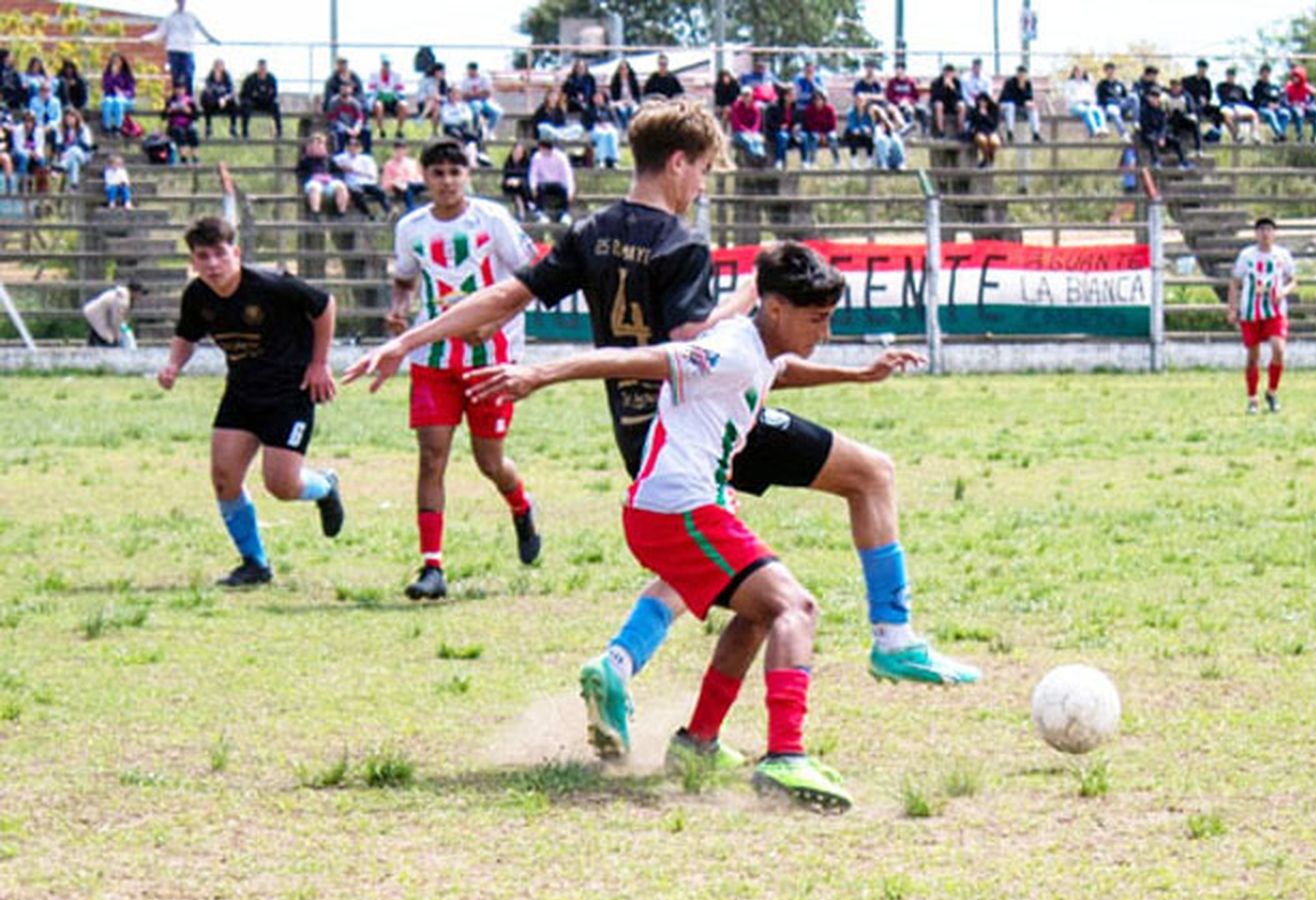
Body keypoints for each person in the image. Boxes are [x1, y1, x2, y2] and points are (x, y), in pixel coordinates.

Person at [341, 98, 981, 765]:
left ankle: (626, 670)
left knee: (703, 563)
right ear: (677, 162)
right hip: (697, 424)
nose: (701, 184)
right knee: (869, 474)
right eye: (702, 169)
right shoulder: (680, 243)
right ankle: (894, 636)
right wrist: (753, 292)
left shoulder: (591, 231)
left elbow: (506, 296)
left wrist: (409, 338)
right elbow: (696, 345)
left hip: (637, 432)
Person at [457, 243, 862, 811]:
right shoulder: (728, 350)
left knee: (757, 613)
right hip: (680, 510)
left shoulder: (760, 348)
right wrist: (540, 373)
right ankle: (786, 758)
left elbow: (783, 370)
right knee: (797, 608)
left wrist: (859, 375)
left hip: (679, 506)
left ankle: (697, 744)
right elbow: (634, 360)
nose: (825, 331)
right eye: (817, 320)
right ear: (774, 308)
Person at [384, 139, 542, 598]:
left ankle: (520, 504)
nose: (447, 181)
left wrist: (495, 320)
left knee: (489, 460)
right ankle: (432, 566)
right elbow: (404, 278)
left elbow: (532, 277)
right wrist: (400, 309)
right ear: (424, 177)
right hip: (433, 358)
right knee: (432, 456)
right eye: (438, 173)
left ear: (467, 175)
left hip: (489, 357)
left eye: (455, 172)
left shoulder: (491, 219)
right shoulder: (411, 227)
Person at [155, 215, 343, 587]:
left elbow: (324, 306)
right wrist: (174, 365)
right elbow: (186, 334)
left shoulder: (270, 285)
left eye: (220, 254)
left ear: (236, 253)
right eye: (202, 256)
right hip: (241, 393)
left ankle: (325, 486)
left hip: (290, 394)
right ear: (193, 261)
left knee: (282, 486)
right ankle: (255, 564)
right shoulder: (197, 295)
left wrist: (319, 363)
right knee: (224, 480)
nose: (212, 264)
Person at [1227, 217, 1297, 414]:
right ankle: (1252, 398)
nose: (1265, 234)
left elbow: (1293, 280)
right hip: (1251, 311)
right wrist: (1232, 308)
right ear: (1256, 234)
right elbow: (1234, 282)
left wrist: (1283, 292)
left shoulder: (1282, 255)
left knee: (1279, 348)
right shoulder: (1247, 255)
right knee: (1253, 356)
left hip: (1275, 311)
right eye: (1261, 230)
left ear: (1274, 233)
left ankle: (1272, 391)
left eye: (1269, 230)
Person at [144, 0, 217, 92]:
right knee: (176, 76)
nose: (181, 2)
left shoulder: (192, 16)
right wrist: (144, 38)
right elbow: (159, 34)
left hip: (187, 50)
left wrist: (212, 39)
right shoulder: (170, 17)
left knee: (188, 75)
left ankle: (189, 99)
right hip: (174, 50)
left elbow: (203, 29)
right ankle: (177, 99)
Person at [334, 136, 389, 218]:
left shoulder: (367, 159)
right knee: (357, 193)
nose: (353, 148)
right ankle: (368, 214)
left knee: (379, 191)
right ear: (347, 147)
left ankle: (389, 211)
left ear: (360, 148)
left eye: (356, 146)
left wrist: (355, 171)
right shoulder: (341, 158)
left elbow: (372, 175)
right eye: (350, 146)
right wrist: (342, 168)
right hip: (353, 184)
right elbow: (331, 162)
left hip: (367, 182)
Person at [295, 133, 348, 217]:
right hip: (313, 182)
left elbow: (339, 172)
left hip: (329, 182)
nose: (320, 147)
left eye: (322, 145)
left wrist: (332, 177)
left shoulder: (329, 159)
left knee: (341, 187)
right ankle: (315, 212)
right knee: (315, 188)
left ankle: (341, 212)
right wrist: (312, 177)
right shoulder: (305, 160)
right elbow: (300, 174)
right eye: (317, 145)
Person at [1137, 87, 1189, 169]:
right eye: (1153, 97)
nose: (1155, 99)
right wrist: (1158, 137)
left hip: (1161, 135)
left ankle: (1184, 162)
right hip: (1149, 134)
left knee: (1176, 140)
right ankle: (1156, 162)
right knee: (1152, 140)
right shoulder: (1144, 110)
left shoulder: (1161, 110)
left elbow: (1164, 125)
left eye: (1156, 97)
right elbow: (1145, 126)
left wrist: (1162, 136)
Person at [82, 280, 145, 346]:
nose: (141, 296)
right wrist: (116, 337)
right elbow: (115, 321)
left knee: (102, 337)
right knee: (108, 339)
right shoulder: (122, 301)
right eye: (140, 293)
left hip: (97, 314)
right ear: (134, 292)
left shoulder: (122, 296)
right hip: (96, 316)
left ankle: (90, 347)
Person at [528, 137, 574, 223]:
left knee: (564, 190)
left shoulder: (561, 157)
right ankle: (540, 213)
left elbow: (568, 175)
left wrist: (570, 192)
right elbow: (533, 174)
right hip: (543, 184)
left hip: (557, 183)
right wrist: (533, 187)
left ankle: (564, 214)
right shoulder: (536, 157)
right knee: (539, 189)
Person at [439, 85, 487, 167]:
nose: (455, 96)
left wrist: (456, 118)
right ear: (449, 95)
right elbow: (446, 119)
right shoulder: (445, 107)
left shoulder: (463, 106)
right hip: (450, 127)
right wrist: (459, 118)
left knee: (475, 135)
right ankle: (462, 156)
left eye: (457, 93)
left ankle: (481, 154)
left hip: (462, 127)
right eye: (453, 93)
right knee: (457, 135)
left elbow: (468, 116)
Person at [1181, 59, 1223, 143]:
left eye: (1204, 69)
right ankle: (1197, 136)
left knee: (1217, 110)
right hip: (1192, 105)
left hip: (1203, 105)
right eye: (1201, 69)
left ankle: (1216, 133)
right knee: (1196, 113)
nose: (1203, 71)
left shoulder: (1206, 82)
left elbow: (1209, 95)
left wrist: (1206, 100)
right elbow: (1185, 94)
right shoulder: (1188, 80)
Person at [367, 56, 410, 139]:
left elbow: (401, 90)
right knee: (378, 105)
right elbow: (371, 91)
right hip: (380, 100)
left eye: (388, 65)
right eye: (384, 64)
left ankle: (399, 131)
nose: (386, 67)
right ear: (381, 65)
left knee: (403, 105)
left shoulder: (397, 75)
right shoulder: (374, 75)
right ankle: (381, 131)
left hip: (393, 100)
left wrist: (395, 95)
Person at [998, 65, 1042, 144]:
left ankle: (1035, 133)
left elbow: (1029, 98)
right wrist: (1023, 100)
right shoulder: (1010, 82)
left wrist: (1029, 102)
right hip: (1006, 107)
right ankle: (1010, 132)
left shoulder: (1027, 83)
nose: (1021, 76)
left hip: (1019, 108)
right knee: (1011, 106)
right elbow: (1009, 98)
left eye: (1023, 74)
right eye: (1020, 74)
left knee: (1033, 109)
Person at [238, 59, 281, 138]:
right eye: (260, 68)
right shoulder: (250, 79)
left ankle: (279, 131)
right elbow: (244, 94)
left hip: (266, 103)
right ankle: (244, 131)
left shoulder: (271, 79)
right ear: (257, 68)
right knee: (246, 105)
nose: (262, 70)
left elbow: (274, 94)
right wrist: (255, 95)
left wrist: (259, 95)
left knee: (275, 105)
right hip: (253, 103)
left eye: (264, 68)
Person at [381, 138, 425, 213]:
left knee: (431, 183)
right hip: (400, 188)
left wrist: (418, 179)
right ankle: (411, 210)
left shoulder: (412, 162)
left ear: (406, 150)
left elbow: (420, 176)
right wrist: (395, 182)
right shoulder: (389, 164)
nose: (400, 152)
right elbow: (385, 184)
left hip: (415, 185)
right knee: (407, 188)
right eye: (397, 150)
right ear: (394, 151)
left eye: (402, 149)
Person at [1216, 67, 1259, 143]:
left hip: (1240, 107)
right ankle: (1236, 135)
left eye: (1232, 75)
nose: (1230, 77)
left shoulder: (1240, 88)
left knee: (1254, 114)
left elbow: (1246, 100)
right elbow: (1223, 99)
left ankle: (1254, 134)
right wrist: (1234, 108)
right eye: (1229, 75)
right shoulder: (1221, 86)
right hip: (1227, 106)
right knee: (1225, 114)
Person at [54, 107, 93, 190]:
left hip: (83, 155)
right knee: (73, 160)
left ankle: (62, 166)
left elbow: (87, 147)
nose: (69, 120)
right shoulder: (61, 129)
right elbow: (59, 146)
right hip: (68, 157)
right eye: (67, 118)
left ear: (76, 118)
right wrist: (61, 154)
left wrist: (75, 142)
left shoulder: (83, 129)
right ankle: (74, 183)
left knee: (74, 149)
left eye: (72, 118)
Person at [799, 90, 840, 168]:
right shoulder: (809, 110)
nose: (818, 102)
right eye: (816, 100)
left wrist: (825, 134)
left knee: (832, 137)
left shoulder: (829, 109)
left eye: (820, 99)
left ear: (823, 100)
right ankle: (812, 161)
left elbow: (833, 124)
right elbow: (809, 125)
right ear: (813, 101)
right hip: (815, 132)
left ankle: (837, 161)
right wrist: (820, 134)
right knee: (814, 137)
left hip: (828, 131)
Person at [326, 82, 371, 154]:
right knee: (339, 132)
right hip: (340, 127)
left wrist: (357, 127)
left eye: (347, 88)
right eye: (343, 88)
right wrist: (346, 129)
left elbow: (360, 118)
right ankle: (340, 155)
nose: (345, 90)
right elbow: (333, 120)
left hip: (353, 128)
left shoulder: (355, 103)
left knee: (367, 130)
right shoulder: (334, 102)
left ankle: (367, 155)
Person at [1251, 64, 1291, 143]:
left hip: (1276, 108)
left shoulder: (1274, 86)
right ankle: (1280, 133)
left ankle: (1278, 136)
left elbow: (1281, 97)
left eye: (1267, 73)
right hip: (1262, 109)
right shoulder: (1256, 87)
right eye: (1263, 73)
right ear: (1260, 74)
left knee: (1286, 113)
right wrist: (1267, 104)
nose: (1265, 75)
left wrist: (1278, 104)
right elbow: (1257, 101)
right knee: (1270, 114)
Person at [1164, 77, 1203, 157]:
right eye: (1173, 86)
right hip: (1172, 119)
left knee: (1195, 124)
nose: (1175, 88)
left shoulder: (1186, 95)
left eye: (1177, 86)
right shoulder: (1167, 95)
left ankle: (1198, 149)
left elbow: (1192, 108)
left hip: (1184, 117)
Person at [162, 81, 200, 164]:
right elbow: (163, 116)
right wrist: (169, 110)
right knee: (178, 131)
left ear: (185, 90)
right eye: (178, 89)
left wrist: (188, 111)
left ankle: (195, 158)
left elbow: (196, 116)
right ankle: (184, 158)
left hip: (188, 124)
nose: (179, 91)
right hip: (174, 125)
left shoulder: (190, 101)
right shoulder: (171, 100)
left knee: (192, 132)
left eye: (181, 89)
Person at [1283, 65, 1316, 144]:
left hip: (1306, 108)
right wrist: (1293, 104)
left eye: (1297, 76)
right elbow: (1285, 101)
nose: (1295, 78)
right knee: (1298, 112)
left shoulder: (1307, 87)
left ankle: (1315, 136)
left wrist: (1306, 105)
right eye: (1293, 77)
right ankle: (1299, 136)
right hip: (1294, 109)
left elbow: (1312, 101)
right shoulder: (1289, 87)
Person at [728, 86, 766, 166]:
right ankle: (755, 156)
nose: (746, 97)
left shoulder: (755, 107)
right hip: (739, 133)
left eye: (748, 95)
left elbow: (757, 122)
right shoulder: (736, 106)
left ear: (751, 96)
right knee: (747, 140)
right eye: (744, 95)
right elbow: (736, 124)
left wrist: (752, 131)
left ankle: (761, 156)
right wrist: (746, 131)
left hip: (753, 132)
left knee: (758, 139)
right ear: (741, 96)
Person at [583, 89, 621, 169]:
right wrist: (598, 124)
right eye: (596, 97)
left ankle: (613, 160)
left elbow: (615, 122)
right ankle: (601, 160)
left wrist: (608, 125)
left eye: (600, 97)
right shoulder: (588, 109)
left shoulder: (609, 109)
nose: (598, 99)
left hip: (608, 129)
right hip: (594, 130)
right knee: (602, 135)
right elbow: (585, 122)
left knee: (612, 134)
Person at [100, 53, 136, 136]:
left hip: (125, 99)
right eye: (114, 61)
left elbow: (131, 91)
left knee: (118, 102)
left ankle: (117, 127)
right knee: (107, 102)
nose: (116, 63)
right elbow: (106, 87)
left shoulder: (127, 75)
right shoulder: (107, 75)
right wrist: (113, 76)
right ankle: (107, 126)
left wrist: (123, 93)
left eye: (118, 61)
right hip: (111, 98)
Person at [199, 58, 236, 138]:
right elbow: (207, 92)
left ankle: (233, 127)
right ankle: (208, 127)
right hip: (213, 103)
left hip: (225, 103)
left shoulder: (227, 77)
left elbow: (232, 92)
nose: (218, 68)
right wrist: (217, 99)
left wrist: (225, 98)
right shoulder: (210, 78)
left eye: (220, 66)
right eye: (216, 66)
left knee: (234, 103)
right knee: (206, 100)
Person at [1065, 66, 1106, 137]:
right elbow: (1068, 97)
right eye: (1077, 72)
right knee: (1087, 111)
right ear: (1074, 73)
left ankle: (1102, 128)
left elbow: (1093, 96)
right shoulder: (1070, 84)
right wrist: (1080, 100)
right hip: (1075, 106)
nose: (1079, 74)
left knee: (1098, 110)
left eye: (1081, 72)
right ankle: (1095, 130)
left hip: (1088, 104)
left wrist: (1090, 101)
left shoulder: (1086, 84)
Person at [764, 83, 797, 170]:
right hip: (774, 132)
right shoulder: (773, 106)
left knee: (804, 137)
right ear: (785, 96)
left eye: (794, 94)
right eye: (791, 95)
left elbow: (795, 121)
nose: (793, 96)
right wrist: (779, 126)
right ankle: (779, 160)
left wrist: (796, 126)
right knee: (783, 136)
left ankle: (807, 162)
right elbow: (769, 122)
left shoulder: (794, 106)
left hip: (790, 132)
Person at [929, 64, 965, 138]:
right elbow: (935, 97)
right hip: (939, 106)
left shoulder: (957, 82)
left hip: (952, 106)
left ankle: (961, 131)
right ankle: (941, 131)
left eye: (950, 72)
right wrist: (944, 87)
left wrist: (953, 88)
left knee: (962, 105)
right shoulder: (936, 82)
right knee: (939, 105)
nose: (948, 74)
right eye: (946, 72)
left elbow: (960, 97)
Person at [883, 63, 924, 130]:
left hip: (909, 104)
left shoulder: (910, 82)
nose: (898, 71)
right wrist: (899, 101)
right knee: (903, 108)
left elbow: (915, 96)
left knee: (920, 109)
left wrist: (908, 101)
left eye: (900, 69)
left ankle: (922, 131)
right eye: (896, 69)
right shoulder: (892, 82)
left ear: (904, 70)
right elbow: (889, 96)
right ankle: (907, 126)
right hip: (896, 104)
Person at [499, 140, 533, 220]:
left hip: (522, 185)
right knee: (516, 190)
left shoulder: (526, 162)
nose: (518, 154)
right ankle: (526, 207)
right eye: (516, 151)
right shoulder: (508, 162)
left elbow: (527, 177)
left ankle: (523, 210)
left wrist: (518, 181)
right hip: (509, 185)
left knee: (520, 189)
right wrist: (510, 181)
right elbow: (506, 175)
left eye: (520, 152)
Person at [967, 92, 1002, 168]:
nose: (982, 103)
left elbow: (994, 124)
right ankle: (986, 158)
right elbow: (974, 123)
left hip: (991, 131)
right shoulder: (975, 110)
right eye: (980, 101)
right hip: (980, 131)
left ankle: (990, 156)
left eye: (984, 101)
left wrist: (986, 115)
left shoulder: (994, 109)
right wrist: (979, 114)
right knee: (982, 140)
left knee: (995, 142)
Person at [1095, 62, 1129, 137]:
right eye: (1108, 70)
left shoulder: (1120, 83)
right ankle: (1124, 133)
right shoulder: (1102, 84)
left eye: (1112, 70)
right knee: (1113, 110)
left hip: (1121, 106)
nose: (1110, 72)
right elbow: (1100, 100)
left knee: (1134, 98)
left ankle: (1136, 121)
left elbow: (1125, 96)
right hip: (1109, 108)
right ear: (1105, 71)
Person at [843, 94, 876, 168]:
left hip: (865, 135)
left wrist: (863, 129)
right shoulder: (851, 111)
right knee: (853, 136)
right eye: (857, 100)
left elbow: (871, 126)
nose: (859, 102)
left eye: (861, 100)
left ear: (865, 102)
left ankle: (869, 160)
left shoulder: (869, 112)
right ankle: (854, 160)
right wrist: (862, 128)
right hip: (854, 135)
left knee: (870, 138)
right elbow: (852, 126)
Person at [872, 102, 906, 170]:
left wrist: (895, 112)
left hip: (893, 158)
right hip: (880, 159)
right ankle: (884, 164)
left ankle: (900, 163)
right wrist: (883, 117)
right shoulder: (877, 125)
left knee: (896, 139)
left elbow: (901, 124)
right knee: (882, 140)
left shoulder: (891, 117)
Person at [608, 59, 641, 126]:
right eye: (621, 69)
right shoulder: (615, 81)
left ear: (628, 69)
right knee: (621, 111)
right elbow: (613, 96)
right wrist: (621, 102)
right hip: (619, 102)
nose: (623, 71)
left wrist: (632, 101)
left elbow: (637, 94)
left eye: (624, 68)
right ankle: (624, 128)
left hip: (631, 101)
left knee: (634, 110)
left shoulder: (633, 80)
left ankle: (631, 127)